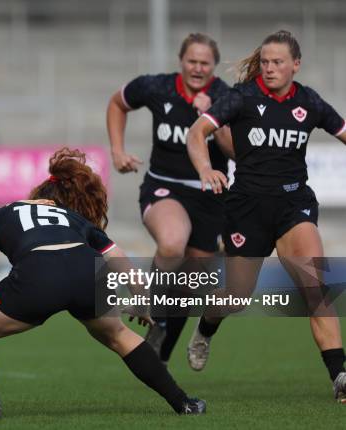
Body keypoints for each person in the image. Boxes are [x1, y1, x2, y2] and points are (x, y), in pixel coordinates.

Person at [0, 148, 207, 419]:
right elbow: (119, 259)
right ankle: (183, 402)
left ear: (37, 194)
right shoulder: (74, 219)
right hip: (85, 270)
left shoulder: (6, 212)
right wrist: (142, 302)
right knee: (119, 335)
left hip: (39, 274)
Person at [186, 30, 346, 403]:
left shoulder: (309, 101)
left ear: (295, 65)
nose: (270, 69)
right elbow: (197, 133)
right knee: (236, 297)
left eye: (277, 62)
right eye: (265, 62)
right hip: (247, 209)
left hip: (294, 206)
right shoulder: (241, 96)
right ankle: (207, 328)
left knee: (315, 287)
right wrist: (206, 169)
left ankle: (339, 375)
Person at [106, 33, 232, 364]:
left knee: (189, 285)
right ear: (181, 61)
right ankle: (151, 311)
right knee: (173, 243)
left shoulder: (225, 96)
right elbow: (118, 103)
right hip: (164, 186)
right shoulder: (156, 87)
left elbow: (235, 150)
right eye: (192, 61)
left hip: (210, 194)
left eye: (205, 63)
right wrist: (117, 150)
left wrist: (213, 118)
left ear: (214, 66)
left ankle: (160, 351)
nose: (197, 68)